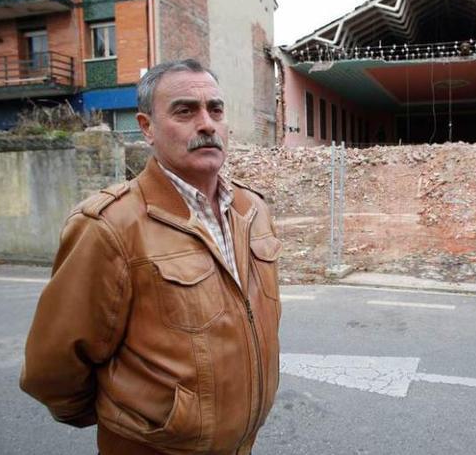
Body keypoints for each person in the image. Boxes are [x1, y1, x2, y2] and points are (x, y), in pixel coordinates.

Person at [20, 59, 282, 455]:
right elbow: (52, 368)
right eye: (185, 111)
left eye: (215, 109)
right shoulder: (110, 225)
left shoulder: (252, 210)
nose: (207, 123)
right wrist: (128, 419)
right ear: (147, 128)